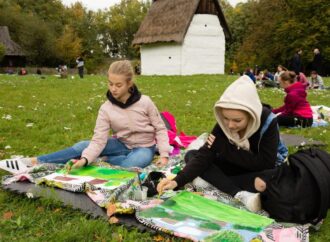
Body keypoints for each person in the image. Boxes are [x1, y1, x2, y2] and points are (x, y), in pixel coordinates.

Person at [3, 60, 171, 169]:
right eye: (110, 84)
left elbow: (160, 129)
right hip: (121, 144)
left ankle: (103, 160)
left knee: (135, 163)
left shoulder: (146, 102)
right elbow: (99, 139)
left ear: (129, 83)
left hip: (144, 147)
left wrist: (163, 155)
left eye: (118, 85)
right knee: (84, 145)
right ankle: (34, 162)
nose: (113, 89)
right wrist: (85, 158)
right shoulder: (106, 108)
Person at [157, 75, 280, 212]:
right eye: (226, 118)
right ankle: (239, 194)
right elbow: (205, 154)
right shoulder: (225, 123)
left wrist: (223, 148)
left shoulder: (268, 122)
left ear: (251, 116)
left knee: (270, 178)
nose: (230, 125)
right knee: (192, 155)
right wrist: (177, 181)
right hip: (232, 168)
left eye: (237, 120)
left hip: (255, 169)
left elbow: (266, 163)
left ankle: (214, 182)